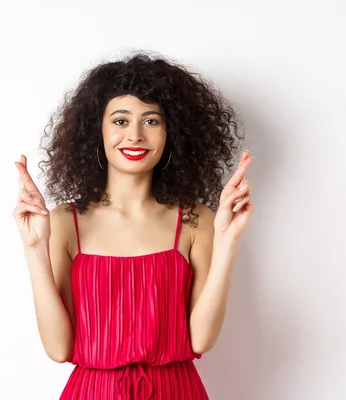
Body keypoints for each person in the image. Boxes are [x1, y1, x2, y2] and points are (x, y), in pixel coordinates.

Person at [13, 52, 255, 399]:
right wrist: (35, 249)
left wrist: (228, 238)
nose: (136, 136)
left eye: (152, 121)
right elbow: (59, 349)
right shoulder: (65, 223)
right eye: (121, 121)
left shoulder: (195, 220)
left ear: (172, 132)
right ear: (98, 129)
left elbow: (201, 339)